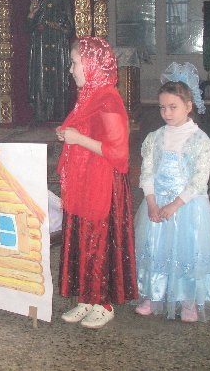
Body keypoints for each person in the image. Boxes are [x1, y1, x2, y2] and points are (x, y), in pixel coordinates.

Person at [134, 62, 210, 322]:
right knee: (155, 249)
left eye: (173, 107)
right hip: (157, 203)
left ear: (188, 106)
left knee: (186, 251)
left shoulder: (200, 140)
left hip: (187, 206)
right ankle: (152, 295)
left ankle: (188, 301)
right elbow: (147, 172)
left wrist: (174, 205)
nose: (166, 112)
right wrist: (152, 203)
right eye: (162, 107)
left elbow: (198, 180)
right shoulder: (154, 138)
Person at [56, 37, 137, 329]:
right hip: (85, 178)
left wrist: (77, 138)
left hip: (104, 183)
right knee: (83, 237)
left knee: (99, 241)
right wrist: (68, 133)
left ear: (91, 64)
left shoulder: (109, 99)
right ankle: (87, 298)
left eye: (74, 63)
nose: (71, 70)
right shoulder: (89, 95)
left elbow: (119, 153)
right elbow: (87, 130)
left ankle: (104, 303)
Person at [27, 0, 75, 122]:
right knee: (41, 80)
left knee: (58, 80)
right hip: (40, 46)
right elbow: (27, 28)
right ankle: (41, 115)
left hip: (58, 46)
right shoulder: (37, 1)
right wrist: (32, 15)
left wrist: (57, 26)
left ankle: (59, 115)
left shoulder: (63, 1)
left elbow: (70, 28)